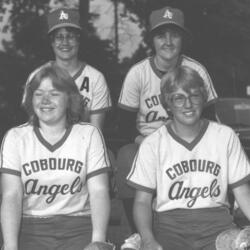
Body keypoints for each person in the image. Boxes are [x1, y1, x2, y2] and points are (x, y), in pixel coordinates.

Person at [117, 6, 218, 248]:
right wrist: (145, 143)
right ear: (152, 40)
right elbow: (122, 128)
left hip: (189, 139)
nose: (168, 41)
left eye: (175, 34)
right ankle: (138, 233)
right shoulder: (137, 74)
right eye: (162, 35)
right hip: (148, 142)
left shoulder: (197, 70)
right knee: (125, 156)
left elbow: (211, 119)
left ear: (183, 38)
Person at [126, 65, 250, 250]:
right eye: (178, 98)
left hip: (217, 226)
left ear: (204, 98)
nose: (188, 104)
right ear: (167, 103)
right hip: (169, 228)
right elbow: (142, 201)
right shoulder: (153, 143)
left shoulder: (224, 136)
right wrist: (148, 238)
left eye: (194, 95)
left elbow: (242, 192)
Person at [0, 64, 112, 250]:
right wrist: (10, 246)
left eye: (54, 93)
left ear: (69, 98)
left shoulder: (89, 134)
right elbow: (11, 195)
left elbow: (99, 191)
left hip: (78, 224)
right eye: (38, 93)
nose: (45, 100)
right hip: (31, 226)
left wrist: (97, 240)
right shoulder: (15, 137)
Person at [23, 7, 112, 130]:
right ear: (52, 42)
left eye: (70, 36)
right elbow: (33, 126)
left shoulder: (95, 78)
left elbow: (96, 131)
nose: (65, 42)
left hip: (84, 145)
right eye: (59, 37)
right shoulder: (37, 76)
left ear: (78, 40)